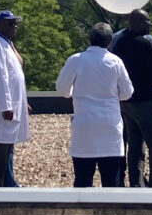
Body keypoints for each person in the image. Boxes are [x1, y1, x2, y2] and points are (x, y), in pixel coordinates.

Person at [55, 22, 134, 187]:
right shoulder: (116, 61)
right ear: (109, 42)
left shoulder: (76, 60)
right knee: (111, 184)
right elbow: (127, 92)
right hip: (110, 127)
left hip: (85, 127)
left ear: (89, 40)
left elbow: (62, 89)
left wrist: (72, 93)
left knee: (82, 182)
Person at [111, 9, 152, 188]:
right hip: (147, 101)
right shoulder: (145, 44)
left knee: (135, 146)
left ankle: (136, 183)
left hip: (127, 103)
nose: (150, 25)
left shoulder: (119, 43)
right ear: (136, 22)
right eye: (147, 21)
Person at [0, 10, 30, 187]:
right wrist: (5, 106)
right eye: (10, 23)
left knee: (8, 148)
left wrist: (24, 102)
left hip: (12, 106)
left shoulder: (6, 44)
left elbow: (14, 77)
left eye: (15, 23)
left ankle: (8, 184)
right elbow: (0, 77)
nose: (14, 27)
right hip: (2, 110)